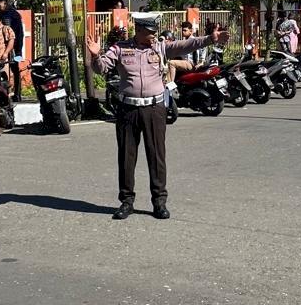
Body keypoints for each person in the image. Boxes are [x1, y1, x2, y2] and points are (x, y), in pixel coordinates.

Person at [87, 15, 229, 221]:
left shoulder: (161, 47)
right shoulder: (120, 48)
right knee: (127, 157)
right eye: (151, 31)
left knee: (157, 156)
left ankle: (159, 202)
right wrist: (95, 55)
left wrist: (210, 39)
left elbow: (186, 44)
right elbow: (101, 68)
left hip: (154, 109)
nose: (155, 34)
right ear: (139, 30)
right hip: (128, 109)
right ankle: (127, 201)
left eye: (155, 31)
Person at [0, 0, 24, 102]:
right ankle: (2, 92)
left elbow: (20, 33)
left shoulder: (14, 15)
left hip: (14, 48)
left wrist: (19, 51)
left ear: (5, 3)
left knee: (15, 69)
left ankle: (17, 93)